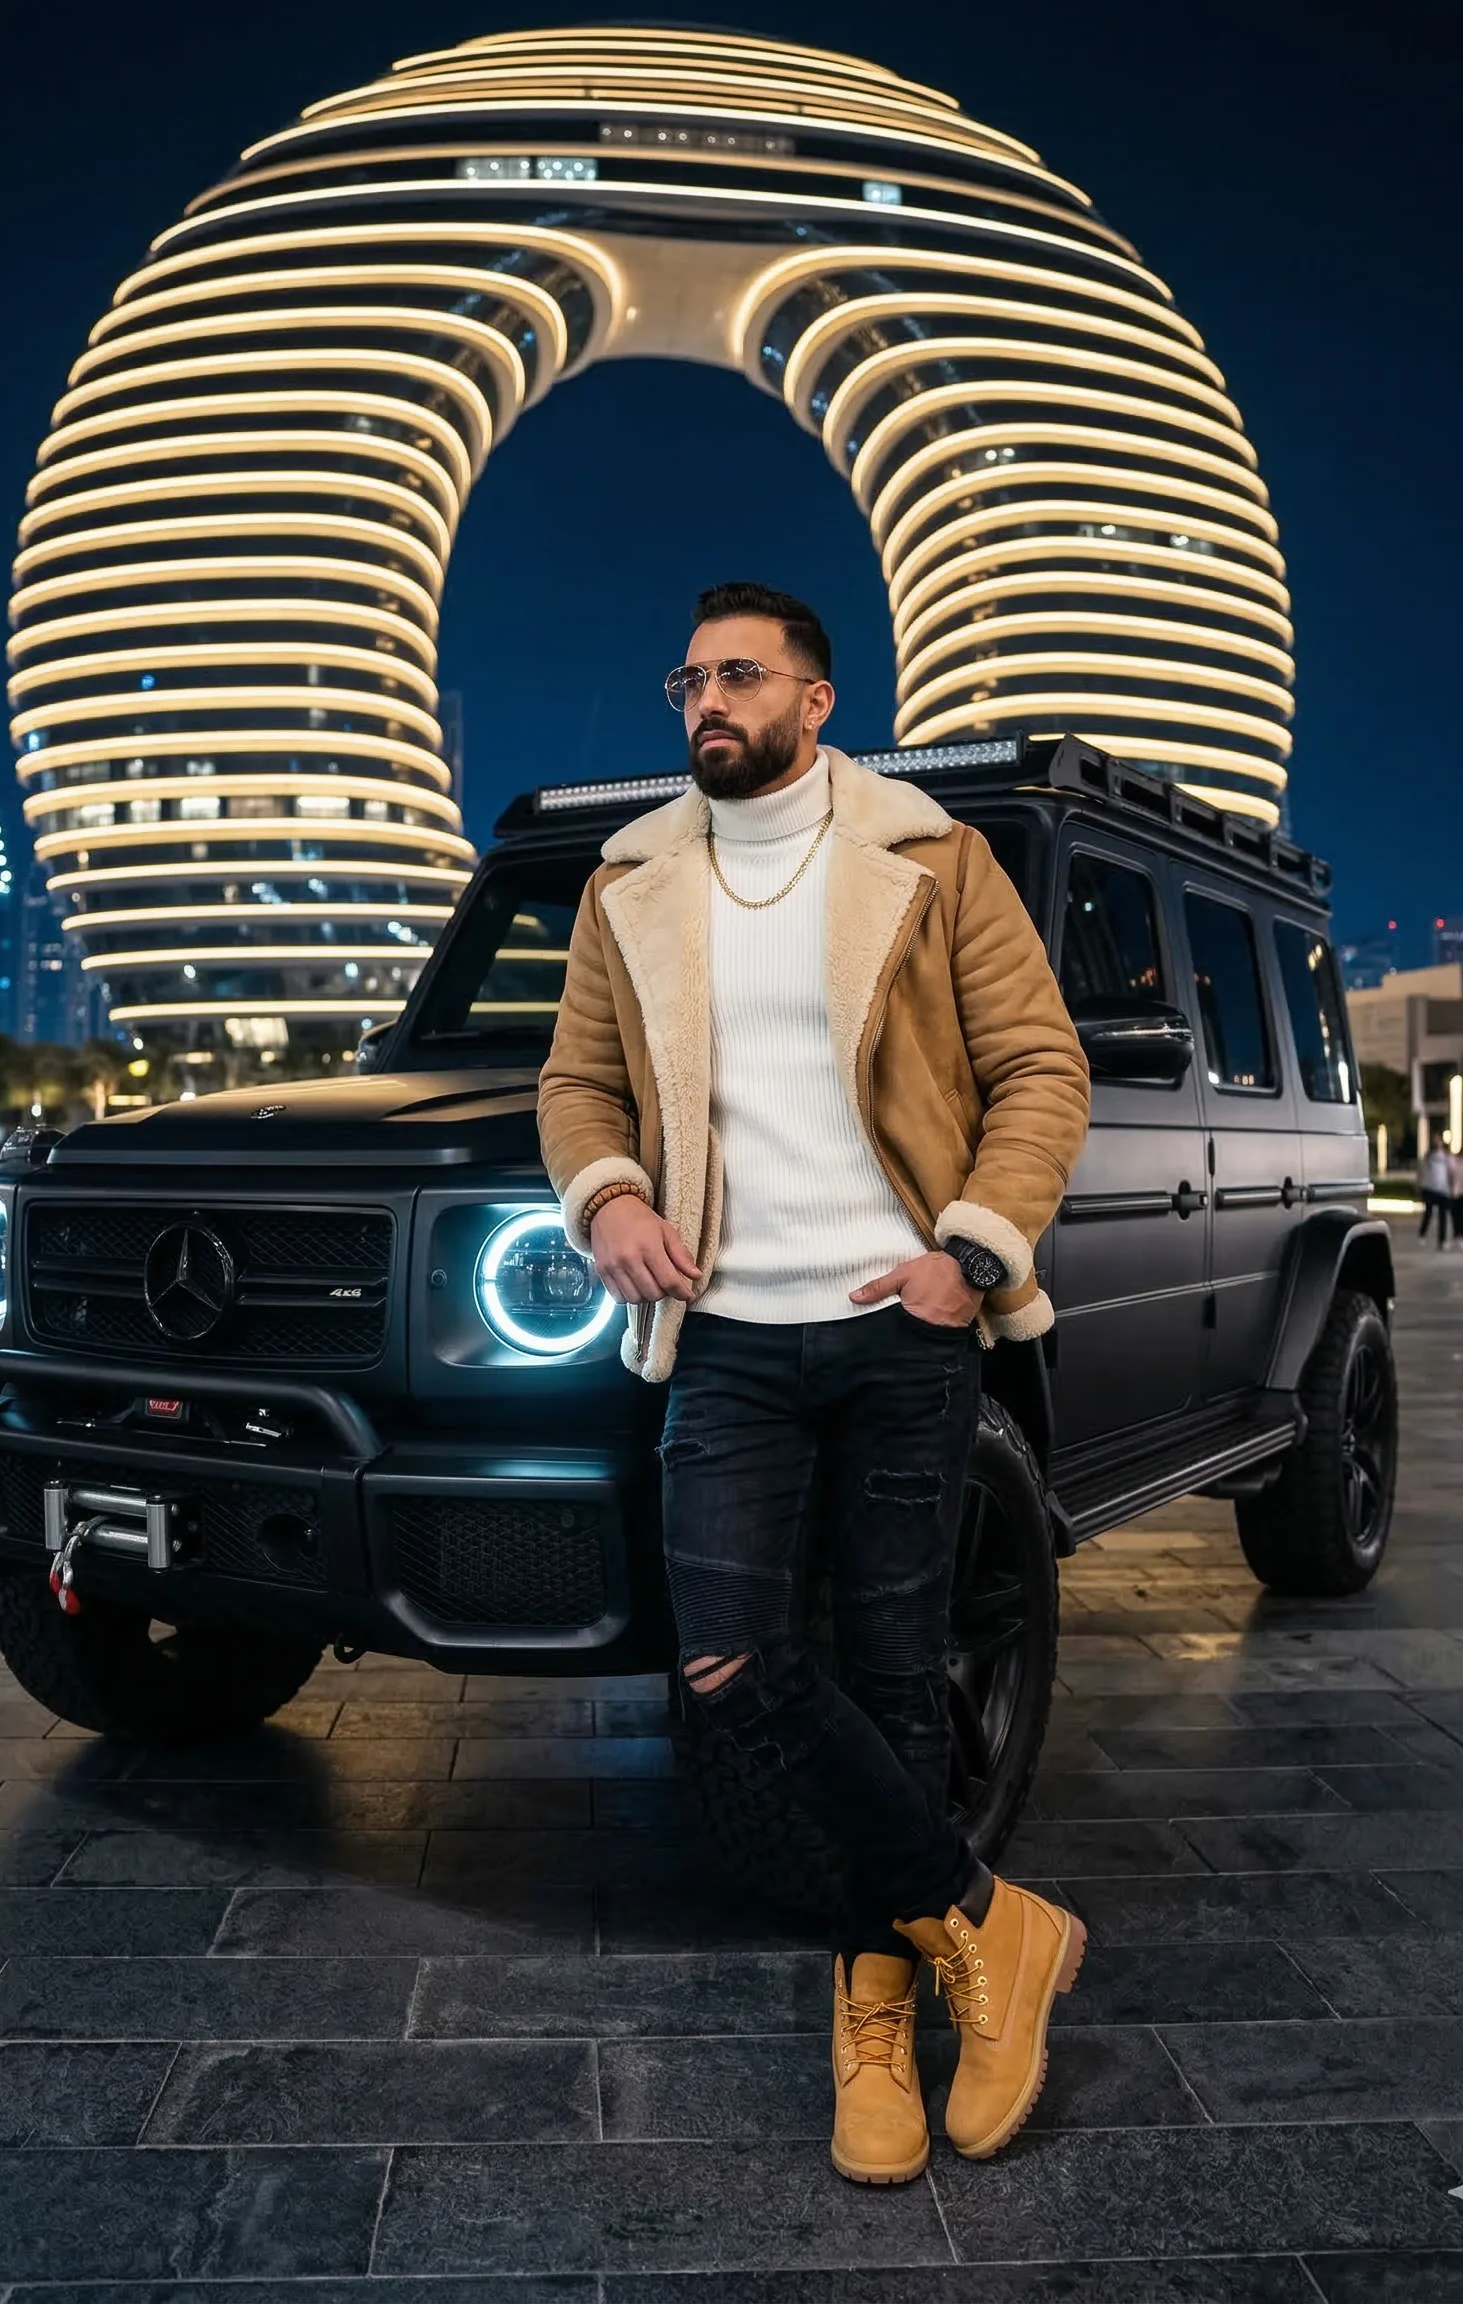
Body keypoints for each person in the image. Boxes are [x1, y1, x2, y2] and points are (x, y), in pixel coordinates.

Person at [539, 581, 1092, 2186]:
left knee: (901, 1671)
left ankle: (876, 2014)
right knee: (727, 1661)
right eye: (688, 676)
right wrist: (614, 1198)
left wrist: (969, 1252)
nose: (706, 700)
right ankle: (998, 1931)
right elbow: (577, 1083)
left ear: (817, 700)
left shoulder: (932, 858)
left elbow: (1040, 1067)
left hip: (900, 1321)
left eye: (739, 675)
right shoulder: (630, 879)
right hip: (723, 1335)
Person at [1417, 1136, 1453, 1248]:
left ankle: (1442, 1240)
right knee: (1428, 1213)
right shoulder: (1429, 1156)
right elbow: (1422, 1171)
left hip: (1444, 1189)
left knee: (1443, 1216)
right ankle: (1422, 1234)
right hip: (1430, 1188)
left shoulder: (1447, 1157)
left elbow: (1451, 1171)